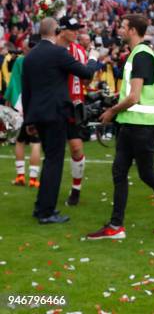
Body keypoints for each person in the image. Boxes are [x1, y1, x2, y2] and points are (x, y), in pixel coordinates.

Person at [87, 14, 154, 240]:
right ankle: (116, 225)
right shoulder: (141, 54)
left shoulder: (141, 55)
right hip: (135, 123)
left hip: (141, 124)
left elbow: (134, 97)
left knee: (145, 173)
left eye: (123, 27)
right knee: (121, 171)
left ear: (132, 30)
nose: (119, 30)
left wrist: (112, 111)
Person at [22, 17, 98, 224]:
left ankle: (41, 207)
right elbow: (86, 73)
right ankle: (46, 211)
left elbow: (26, 91)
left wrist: (28, 121)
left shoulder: (30, 57)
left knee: (50, 161)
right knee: (54, 163)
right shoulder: (58, 53)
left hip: (37, 115)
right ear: (56, 31)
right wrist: (93, 58)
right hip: (56, 114)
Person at [56, 16, 89, 206]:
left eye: (78, 29)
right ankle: (49, 188)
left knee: (76, 148)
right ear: (62, 30)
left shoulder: (80, 52)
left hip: (74, 106)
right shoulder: (54, 50)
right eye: (73, 29)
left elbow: (85, 80)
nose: (77, 32)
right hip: (56, 105)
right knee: (55, 151)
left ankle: (76, 189)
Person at [6, 37, 41, 188]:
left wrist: (10, 99)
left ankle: (21, 176)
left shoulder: (21, 61)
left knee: (20, 141)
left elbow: (14, 82)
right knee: (35, 142)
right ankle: (33, 179)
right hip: (38, 104)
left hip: (22, 104)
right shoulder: (43, 60)